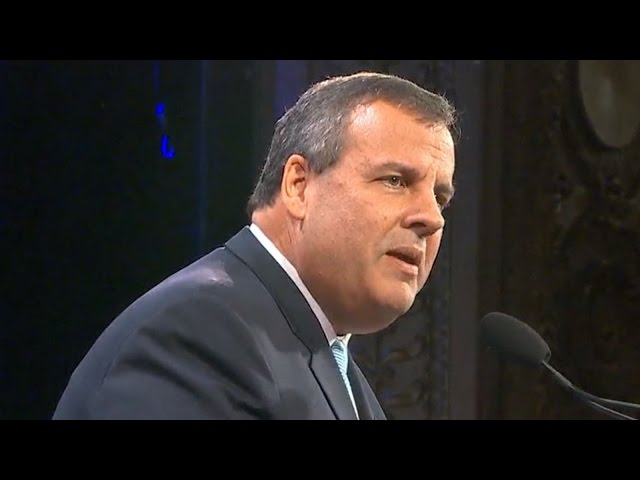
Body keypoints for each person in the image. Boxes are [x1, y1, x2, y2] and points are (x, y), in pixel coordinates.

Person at [52, 71, 457, 420]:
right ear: (298, 185)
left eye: (439, 198)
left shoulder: (322, 356)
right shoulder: (200, 334)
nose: (432, 218)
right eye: (395, 181)